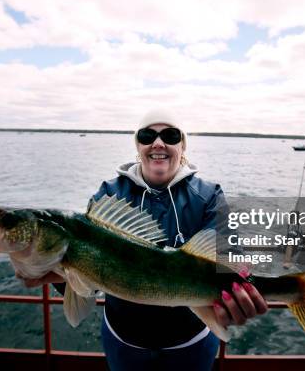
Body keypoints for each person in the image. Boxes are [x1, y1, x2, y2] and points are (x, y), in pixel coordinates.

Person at [21, 109, 268, 370]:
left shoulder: (208, 195)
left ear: (182, 146)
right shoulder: (109, 195)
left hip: (191, 342)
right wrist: (58, 272)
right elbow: (90, 276)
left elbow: (232, 258)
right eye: (147, 135)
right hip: (124, 340)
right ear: (138, 145)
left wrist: (247, 283)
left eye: (170, 135)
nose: (158, 143)